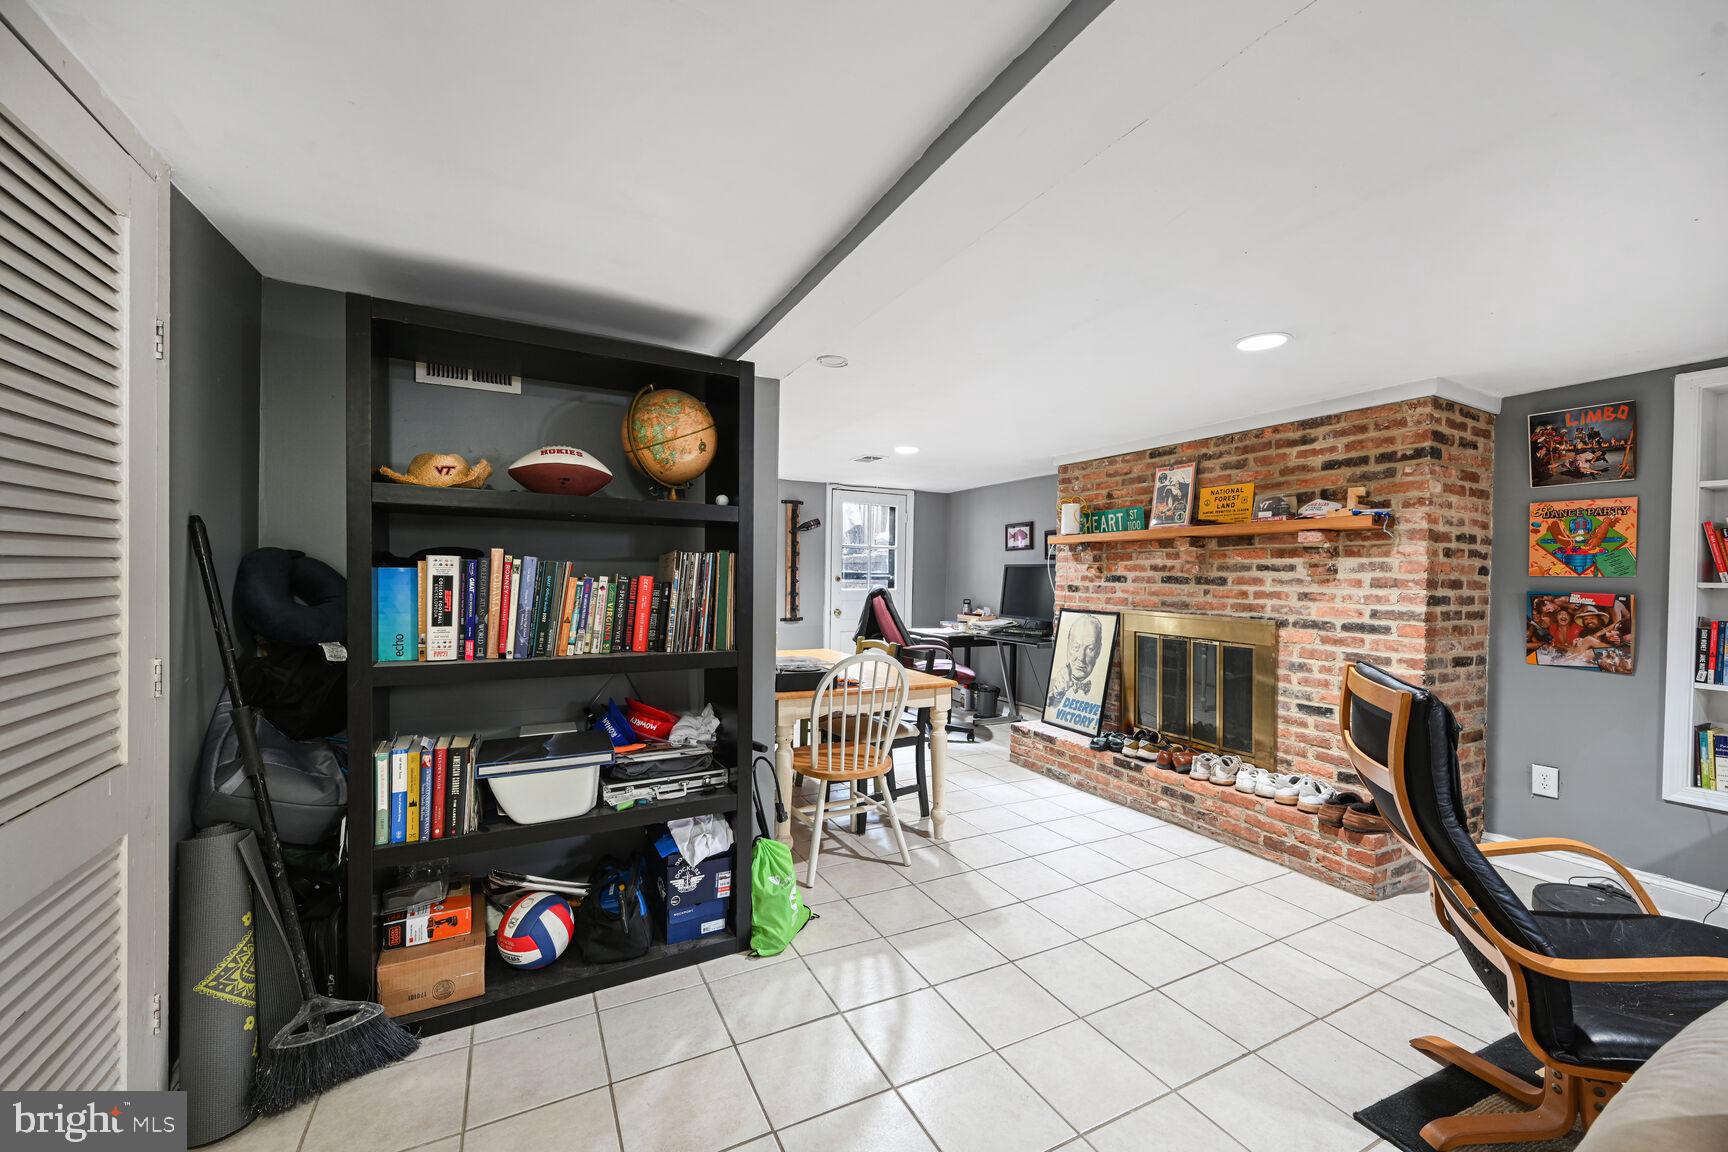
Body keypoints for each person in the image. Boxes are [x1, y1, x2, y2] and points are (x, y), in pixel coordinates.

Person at [1047, 614, 1104, 714]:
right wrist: (1056, 695)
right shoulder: (1053, 684)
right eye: (1076, 647)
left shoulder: (1101, 689)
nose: (1081, 658)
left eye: (1090, 649)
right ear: (1068, 645)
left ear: (1098, 651)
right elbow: (1050, 711)